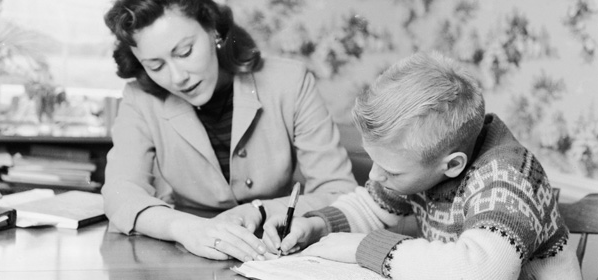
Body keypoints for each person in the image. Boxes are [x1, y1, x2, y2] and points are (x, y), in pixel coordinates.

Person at [262, 52, 582, 279]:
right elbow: (373, 205)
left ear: (452, 165)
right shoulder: (428, 160)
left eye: (391, 172)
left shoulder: (506, 177)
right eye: (374, 161)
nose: (374, 175)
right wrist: (316, 226)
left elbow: (481, 272)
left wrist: (363, 246)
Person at [101, 0, 357, 263]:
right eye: (155, 66)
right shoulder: (139, 98)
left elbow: (340, 192)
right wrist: (184, 228)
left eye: (185, 52)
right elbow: (120, 194)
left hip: (274, 253)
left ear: (214, 30)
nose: (178, 78)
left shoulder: (289, 81)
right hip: (191, 257)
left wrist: (259, 211)